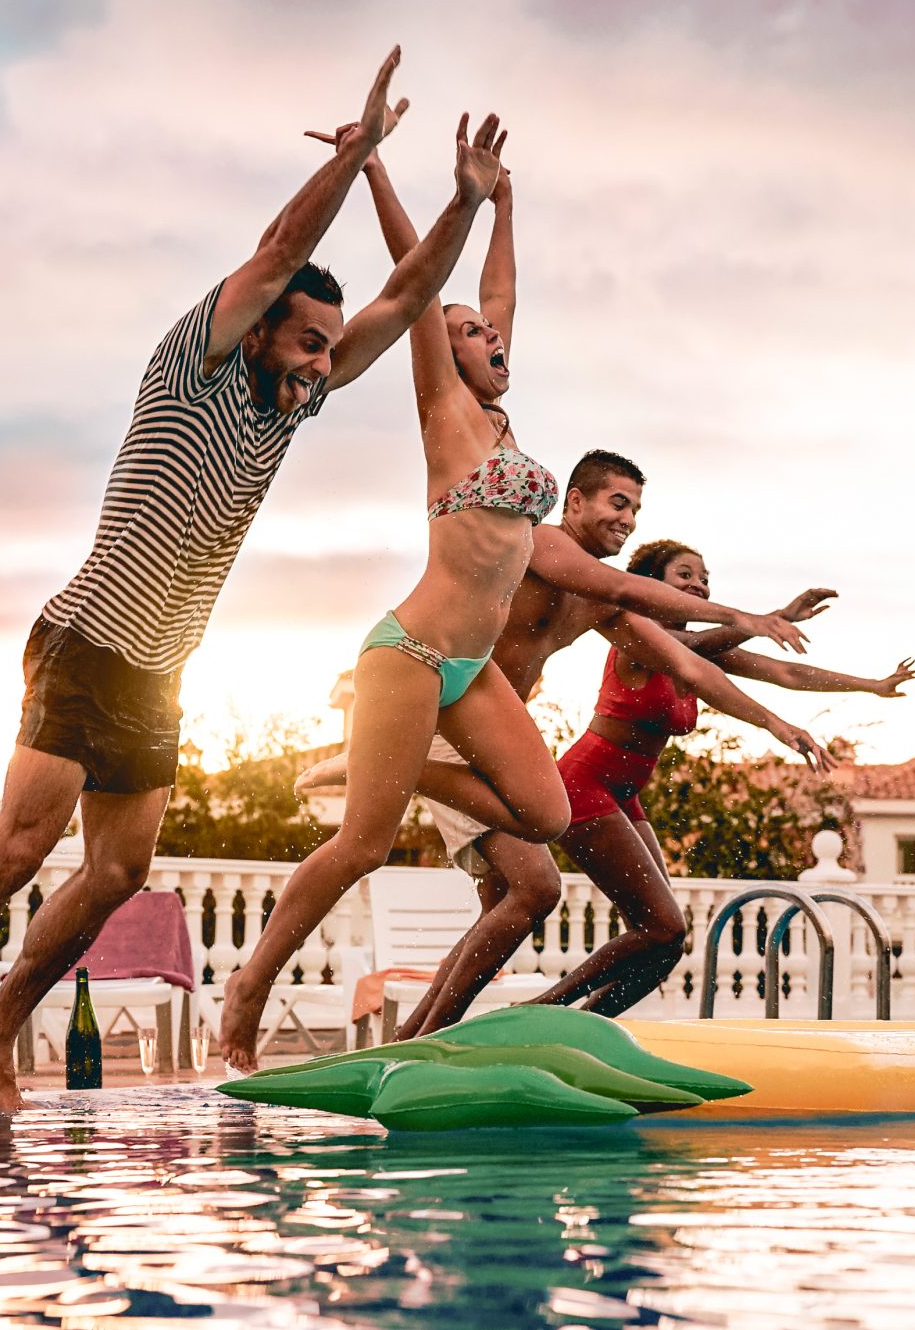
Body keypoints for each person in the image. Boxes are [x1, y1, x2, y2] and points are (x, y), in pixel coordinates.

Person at [0, 49, 496, 1118]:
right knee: (19, 849)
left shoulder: (292, 398)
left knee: (114, 874)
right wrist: (361, 156)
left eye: (325, 350)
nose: (318, 362)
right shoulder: (193, 359)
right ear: (254, 327)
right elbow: (282, 245)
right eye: (303, 340)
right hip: (85, 638)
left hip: (159, 670)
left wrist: (465, 205)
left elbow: (409, 295)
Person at [217, 143, 824, 1072]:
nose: (490, 337)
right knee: (359, 848)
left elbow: (498, 298)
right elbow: (421, 284)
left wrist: (506, 205)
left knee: (544, 815)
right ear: (445, 348)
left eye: (493, 336)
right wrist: (376, 169)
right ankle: (245, 1000)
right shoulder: (443, 410)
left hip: (466, 675)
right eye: (470, 333)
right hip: (412, 651)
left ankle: (401, 764)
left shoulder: (503, 422)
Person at [412, 539, 915, 1027]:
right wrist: (767, 620)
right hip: (584, 788)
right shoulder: (638, 641)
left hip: (624, 797)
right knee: (662, 925)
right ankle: (538, 1014)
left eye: (705, 579)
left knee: (667, 943)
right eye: (685, 577)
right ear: (653, 587)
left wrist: (871, 685)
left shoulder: (698, 654)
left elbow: (784, 670)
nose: (698, 585)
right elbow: (696, 643)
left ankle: (582, 1030)